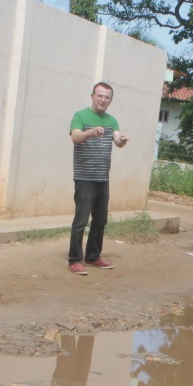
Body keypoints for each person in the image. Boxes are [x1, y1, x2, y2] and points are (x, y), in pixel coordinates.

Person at [68, 82, 129, 275]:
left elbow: (117, 140)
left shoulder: (112, 120)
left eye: (107, 97)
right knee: (81, 221)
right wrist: (91, 132)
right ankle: (74, 260)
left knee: (100, 220)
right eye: (100, 96)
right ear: (92, 96)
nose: (103, 100)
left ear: (111, 100)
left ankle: (92, 256)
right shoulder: (80, 116)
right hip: (84, 178)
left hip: (102, 179)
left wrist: (122, 141)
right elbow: (75, 138)